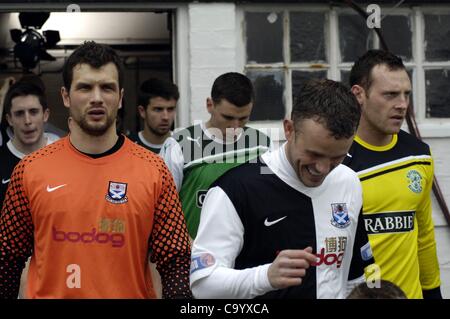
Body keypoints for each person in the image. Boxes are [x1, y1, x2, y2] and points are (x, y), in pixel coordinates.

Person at [0, 41, 192, 299]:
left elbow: (176, 258)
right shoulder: (30, 170)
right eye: (85, 87)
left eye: (107, 87)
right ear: (66, 96)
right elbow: (7, 259)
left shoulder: (154, 170)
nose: (97, 98)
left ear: (121, 97)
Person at [190, 79, 374, 299]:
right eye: (313, 153)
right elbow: (202, 284)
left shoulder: (348, 181)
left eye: (337, 157)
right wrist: (265, 277)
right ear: (289, 129)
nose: (323, 168)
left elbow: (355, 276)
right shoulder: (236, 189)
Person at [343, 50, 441, 299]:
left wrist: (433, 293)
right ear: (359, 95)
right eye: (390, 95)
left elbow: (424, 236)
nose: (402, 104)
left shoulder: (418, 155)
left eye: (406, 94)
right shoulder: (336, 160)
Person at [162, 72, 271, 238]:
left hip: (247, 257)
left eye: (243, 118)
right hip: (194, 256)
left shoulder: (262, 145)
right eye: (227, 117)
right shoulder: (179, 145)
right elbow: (163, 208)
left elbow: (270, 199)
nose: (235, 126)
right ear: (209, 104)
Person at [0, 80, 55, 208]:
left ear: (45, 115)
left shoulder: (64, 156)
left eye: (33, 111)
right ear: (9, 120)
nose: (27, 121)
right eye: (19, 114)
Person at [128, 77, 179, 154]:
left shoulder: (186, 146)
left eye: (170, 109)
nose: (166, 117)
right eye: (158, 109)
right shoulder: (128, 147)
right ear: (142, 111)